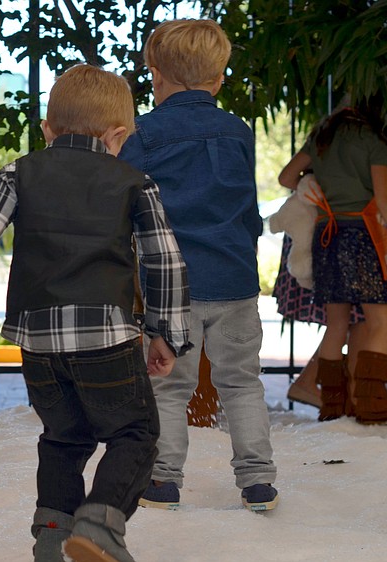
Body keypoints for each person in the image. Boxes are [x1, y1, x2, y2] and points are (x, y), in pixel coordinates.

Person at [0, 64, 191, 562]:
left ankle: (52, 534)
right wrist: (166, 332)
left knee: (63, 436)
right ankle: (100, 525)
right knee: (136, 433)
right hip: (106, 337)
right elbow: (162, 259)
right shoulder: (134, 182)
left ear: (47, 130)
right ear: (118, 135)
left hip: (38, 341)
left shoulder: (22, 170)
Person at [119, 18, 279, 512]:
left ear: (155, 73)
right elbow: (246, 205)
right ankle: (259, 483)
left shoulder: (143, 133)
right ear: (219, 78)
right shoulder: (238, 131)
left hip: (173, 285)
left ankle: (163, 483)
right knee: (242, 381)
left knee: (168, 385)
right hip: (235, 278)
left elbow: (123, 202)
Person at [278, 95, 387, 425]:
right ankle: (371, 404)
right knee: (379, 320)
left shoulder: (323, 136)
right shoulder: (372, 139)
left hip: (328, 234)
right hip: (362, 235)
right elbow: (384, 198)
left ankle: (332, 405)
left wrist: (318, 188)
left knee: (337, 323)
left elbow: (286, 178)